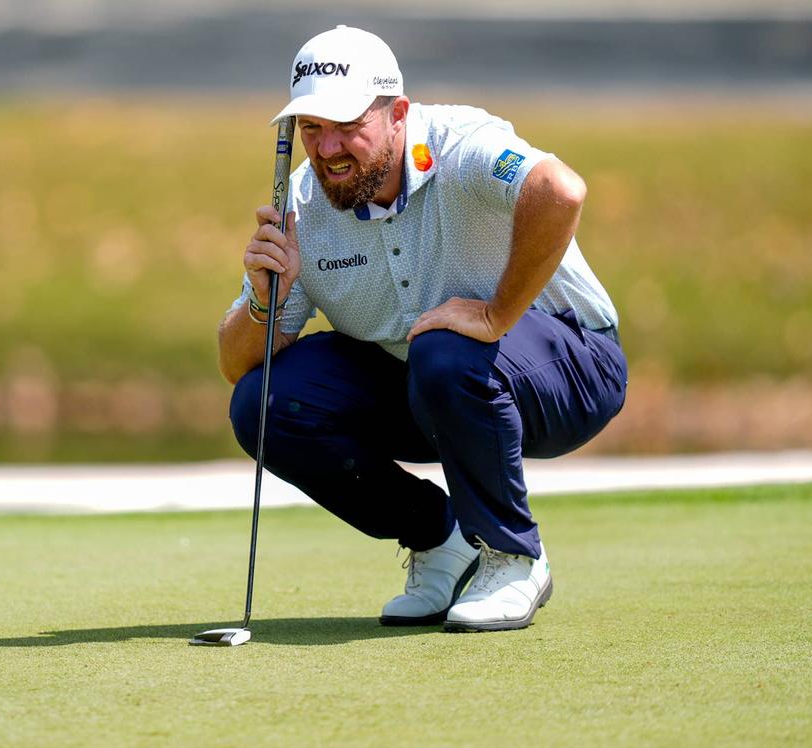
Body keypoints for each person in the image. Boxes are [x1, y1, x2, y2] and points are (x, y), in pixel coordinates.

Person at [218, 25, 627, 632]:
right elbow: (239, 367)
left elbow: (561, 191)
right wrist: (261, 296)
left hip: (572, 366)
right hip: (432, 385)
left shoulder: (463, 145)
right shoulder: (304, 203)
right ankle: (440, 538)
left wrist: (494, 315)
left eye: (346, 124)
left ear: (397, 114)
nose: (328, 148)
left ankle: (513, 555)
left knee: (444, 351)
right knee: (262, 402)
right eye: (311, 129)